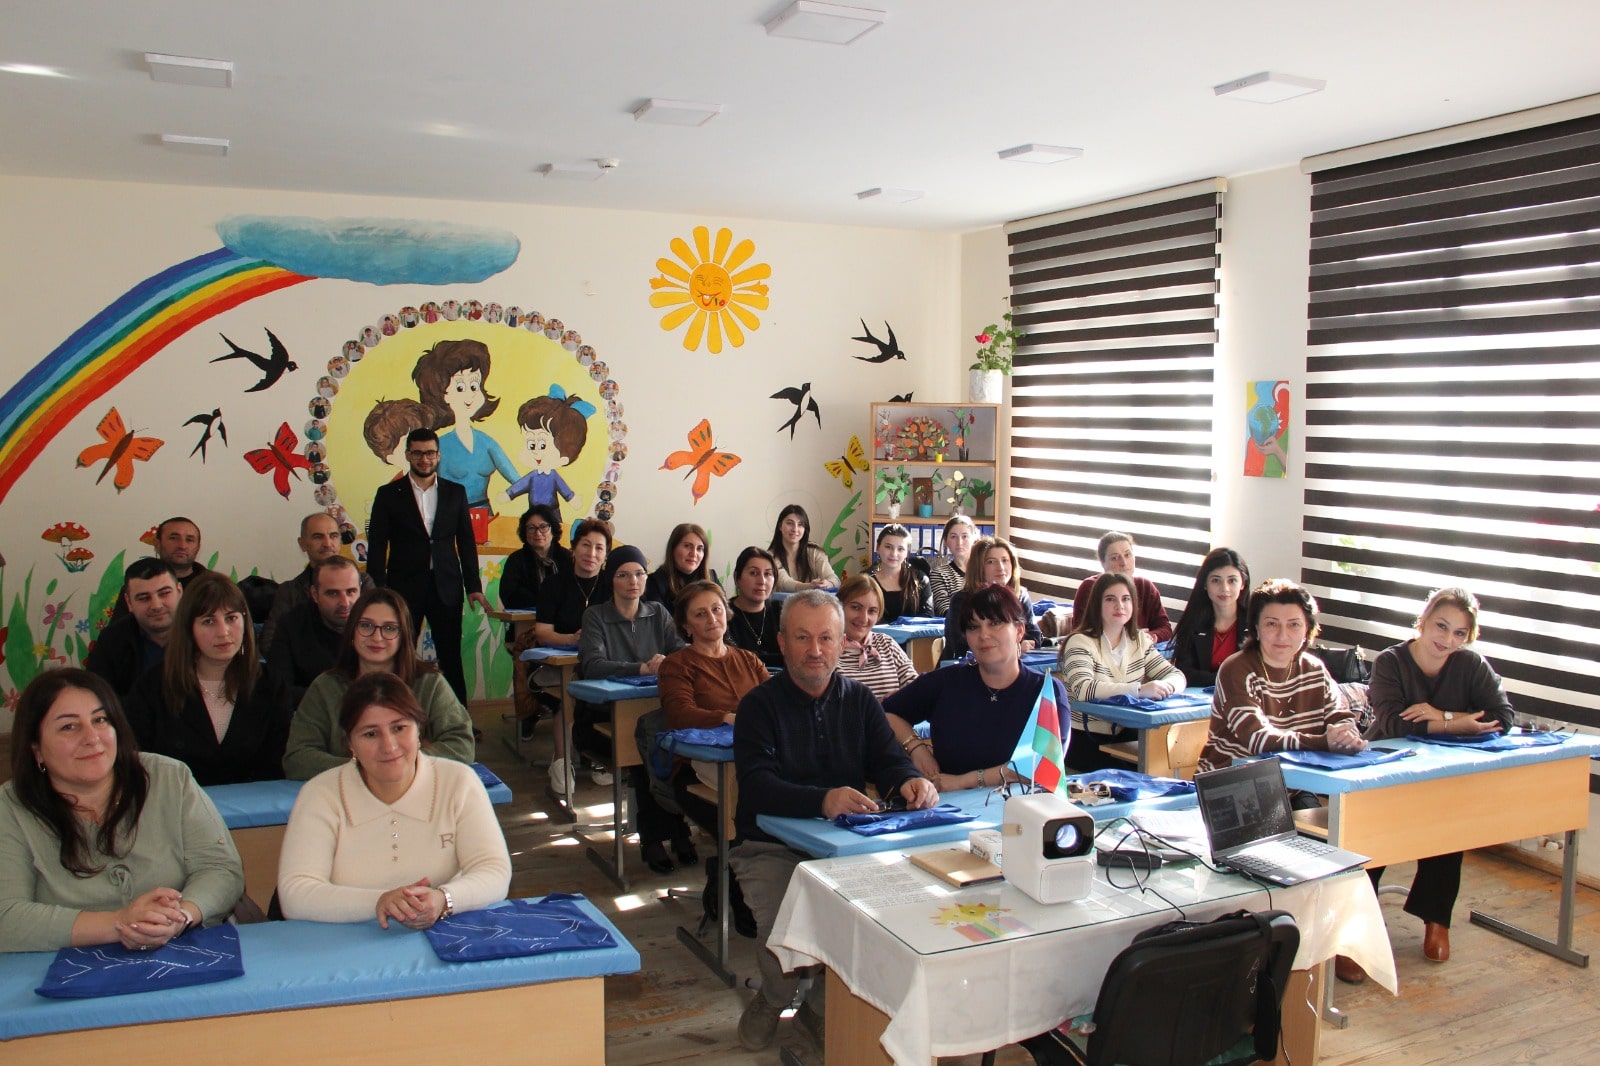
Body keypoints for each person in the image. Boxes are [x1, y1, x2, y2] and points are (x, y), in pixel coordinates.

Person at [731, 590, 938, 1051]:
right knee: (785, 936)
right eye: (802, 638)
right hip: (769, 846)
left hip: (846, 846)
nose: (815, 650)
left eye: (826, 637)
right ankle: (774, 996)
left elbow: (888, 761)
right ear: (782, 643)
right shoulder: (759, 707)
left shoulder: (860, 700)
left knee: (873, 928)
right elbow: (758, 786)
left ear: (843, 642)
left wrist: (907, 781)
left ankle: (819, 1008)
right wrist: (822, 800)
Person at [0, 669, 244, 953]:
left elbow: (221, 869)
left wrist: (180, 917)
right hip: (67, 970)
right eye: (69, 727)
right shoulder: (11, 808)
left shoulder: (169, 778)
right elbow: (7, 917)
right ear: (36, 749)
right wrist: (120, 923)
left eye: (100, 720)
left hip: (181, 949)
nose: (92, 738)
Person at [277, 672, 511, 924]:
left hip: (443, 938)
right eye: (370, 734)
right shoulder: (320, 794)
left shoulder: (459, 781)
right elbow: (295, 894)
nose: (389, 746)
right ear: (350, 744)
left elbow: (494, 870)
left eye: (399, 728)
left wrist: (444, 899)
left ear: (418, 731)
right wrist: (382, 902)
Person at [1362, 587, 1513, 971]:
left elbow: (1502, 717)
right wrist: (1460, 722)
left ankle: (1436, 920)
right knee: (1371, 839)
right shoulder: (1391, 662)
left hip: (1441, 776)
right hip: (1386, 771)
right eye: (1441, 627)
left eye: (1459, 633)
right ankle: (1358, 931)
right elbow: (1393, 724)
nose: (1447, 640)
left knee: (1447, 828)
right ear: (1423, 621)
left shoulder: (1470, 665)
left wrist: (1442, 718)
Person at [657, 580, 769, 929]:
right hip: (697, 771)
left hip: (753, 764)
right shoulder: (677, 665)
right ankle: (737, 893)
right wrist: (725, 717)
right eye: (700, 614)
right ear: (686, 625)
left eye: (717, 609)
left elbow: (775, 704)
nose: (711, 619)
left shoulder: (748, 659)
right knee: (749, 817)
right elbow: (678, 714)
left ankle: (742, 885)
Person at [283, 589, 476, 780]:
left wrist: (400, 764)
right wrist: (367, 767)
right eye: (366, 626)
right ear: (352, 631)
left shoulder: (429, 683)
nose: (377, 637)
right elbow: (297, 757)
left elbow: (462, 746)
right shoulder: (325, 687)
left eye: (390, 628)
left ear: (403, 636)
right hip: (344, 796)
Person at [123, 572, 294, 786]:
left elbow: (279, 764)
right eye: (208, 621)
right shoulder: (152, 687)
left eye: (231, 618)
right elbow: (137, 764)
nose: (223, 632)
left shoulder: (270, 684)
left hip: (255, 813)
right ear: (188, 629)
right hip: (177, 810)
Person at [579, 546, 687, 874]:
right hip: (602, 717)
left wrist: (668, 660)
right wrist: (640, 669)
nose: (633, 581)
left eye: (639, 573)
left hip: (654, 712)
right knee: (644, 755)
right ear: (611, 580)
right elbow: (593, 664)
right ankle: (654, 838)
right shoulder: (595, 616)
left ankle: (678, 829)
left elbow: (681, 651)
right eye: (623, 575)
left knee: (674, 749)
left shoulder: (658, 612)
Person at [366, 427, 490, 704]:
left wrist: (473, 586)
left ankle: (459, 720)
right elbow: (377, 544)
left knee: (451, 655)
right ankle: (399, 713)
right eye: (418, 453)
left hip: (446, 586)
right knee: (400, 654)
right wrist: (378, 590)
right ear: (408, 455)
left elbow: (466, 542)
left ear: (438, 455)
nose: (425, 459)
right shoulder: (388, 494)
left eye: (430, 453)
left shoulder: (455, 493)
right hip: (403, 587)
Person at [1197, 579, 1366, 776]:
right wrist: (1323, 742)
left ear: (1307, 631)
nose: (1282, 635)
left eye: (1294, 625)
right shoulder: (1236, 669)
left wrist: (1346, 735)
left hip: (1296, 781)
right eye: (1271, 624)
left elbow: (1340, 717)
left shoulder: (1315, 669)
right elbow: (1258, 739)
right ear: (1256, 628)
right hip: (1234, 783)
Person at [1061, 572, 1186, 770]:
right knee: (1135, 771)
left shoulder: (1139, 640)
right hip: (1085, 737)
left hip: (1127, 731)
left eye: (1126, 599)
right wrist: (1139, 691)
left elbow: (1177, 676)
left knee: (1163, 759)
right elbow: (1082, 689)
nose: (1120, 606)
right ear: (1097, 605)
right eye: (1110, 599)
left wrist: (1165, 686)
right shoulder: (1080, 642)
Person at [534, 518, 615, 794]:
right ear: (574, 548)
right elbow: (543, 632)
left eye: (599, 548)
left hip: (601, 662)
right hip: (558, 663)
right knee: (569, 695)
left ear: (606, 555)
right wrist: (571, 639)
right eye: (586, 545)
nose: (591, 554)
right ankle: (560, 759)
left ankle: (600, 756)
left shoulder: (612, 585)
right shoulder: (555, 585)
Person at [412, 338, 519, 529]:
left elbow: (517, 480)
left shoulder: (487, 443)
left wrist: (511, 494)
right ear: (443, 395)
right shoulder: (438, 446)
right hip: (448, 520)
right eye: (460, 387)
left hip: (485, 519)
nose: (469, 395)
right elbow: (418, 486)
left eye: (474, 386)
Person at [260, 512, 372, 650]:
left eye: (333, 536)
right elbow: (270, 642)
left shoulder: (363, 582)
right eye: (318, 537)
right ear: (302, 544)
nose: (327, 543)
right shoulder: (290, 591)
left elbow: (375, 631)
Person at [265, 556, 364, 702]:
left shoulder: (376, 623)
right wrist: (337, 697)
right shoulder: (292, 625)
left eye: (351, 592)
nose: (345, 602)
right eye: (333, 593)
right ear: (314, 594)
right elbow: (278, 689)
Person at [84, 557, 180, 698]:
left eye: (164, 593)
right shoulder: (112, 640)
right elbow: (96, 696)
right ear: (129, 602)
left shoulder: (203, 633)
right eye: (143, 598)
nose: (156, 606)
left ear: (180, 592)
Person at [941, 537, 1043, 660]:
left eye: (1005, 560)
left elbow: (1033, 633)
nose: (1000, 567)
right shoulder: (962, 600)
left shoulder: (1020, 595)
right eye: (991, 562)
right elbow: (961, 646)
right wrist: (1010, 648)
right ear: (978, 567)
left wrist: (1028, 642)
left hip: (1012, 665)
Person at [1069, 531, 1174, 643]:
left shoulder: (1145, 587)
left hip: (1141, 652)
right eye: (1115, 558)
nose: (1124, 562)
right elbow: (1081, 633)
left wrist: (1148, 637)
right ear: (1103, 563)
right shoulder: (1090, 587)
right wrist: (1128, 640)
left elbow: (1165, 628)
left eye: (1127, 555)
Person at [1170, 547, 1251, 688]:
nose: (1224, 588)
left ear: (1243, 584)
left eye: (1232, 581)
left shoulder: (1255, 624)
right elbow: (1184, 673)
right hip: (1201, 704)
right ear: (1205, 584)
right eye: (1215, 580)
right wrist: (1228, 679)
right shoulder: (1193, 623)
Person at [835, 574, 917, 700]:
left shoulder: (886, 643)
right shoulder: (827, 648)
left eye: (872, 611)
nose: (864, 619)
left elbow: (916, 689)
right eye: (856, 608)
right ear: (839, 607)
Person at [108, 516, 206, 622]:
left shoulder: (212, 586)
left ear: (198, 548)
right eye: (174, 538)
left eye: (190, 540)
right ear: (157, 544)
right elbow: (117, 634)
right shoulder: (138, 585)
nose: (182, 545)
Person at [499, 504, 571, 610]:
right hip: (526, 621)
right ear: (525, 532)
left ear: (553, 530)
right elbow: (509, 597)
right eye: (531, 528)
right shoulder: (516, 560)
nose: (538, 533)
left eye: (543, 527)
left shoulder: (567, 558)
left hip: (563, 620)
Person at [725, 545, 783, 668]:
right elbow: (735, 659)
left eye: (768, 574)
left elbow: (796, 653)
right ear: (737, 578)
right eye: (753, 573)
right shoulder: (723, 614)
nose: (762, 581)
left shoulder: (782, 611)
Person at [866, 522, 932, 620]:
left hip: (914, 635)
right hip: (876, 635)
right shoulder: (865, 581)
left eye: (900, 549)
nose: (894, 554)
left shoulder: (920, 579)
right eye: (888, 547)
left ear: (907, 553)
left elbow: (927, 617)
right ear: (878, 548)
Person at [644, 522, 715, 610]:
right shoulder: (655, 582)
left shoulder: (712, 577)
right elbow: (660, 621)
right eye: (687, 546)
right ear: (673, 549)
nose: (693, 554)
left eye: (699, 549)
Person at [768, 504, 838, 592]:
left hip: (814, 604)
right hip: (782, 605)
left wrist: (827, 584)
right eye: (790, 523)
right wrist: (810, 586)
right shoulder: (770, 556)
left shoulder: (815, 551)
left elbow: (834, 579)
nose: (795, 529)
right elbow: (785, 583)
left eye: (800, 524)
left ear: (805, 529)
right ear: (780, 526)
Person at [928, 514, 977, 615]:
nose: (959, 542)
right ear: (946, 541)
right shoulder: (939, 574)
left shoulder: (985, 570)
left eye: (965, 536)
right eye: (953, 537)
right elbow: (944, 610)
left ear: (974, 539)